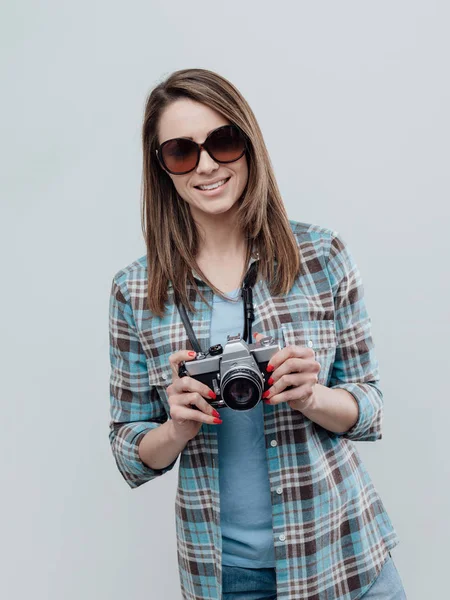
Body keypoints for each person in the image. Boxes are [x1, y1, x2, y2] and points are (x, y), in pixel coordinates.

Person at [108, 68, 407, 600]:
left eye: (222, 142)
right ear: (162, 170)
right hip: (228, 579)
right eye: (181, 152)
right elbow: (130, 451)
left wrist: (313, 396)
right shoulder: (135, 291)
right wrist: (176, 427)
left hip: (344, 558)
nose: (205, 165)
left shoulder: (322, 257)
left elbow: (372, 407)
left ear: (248, 145)